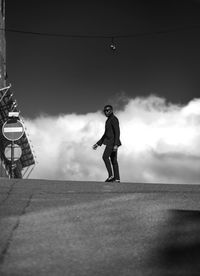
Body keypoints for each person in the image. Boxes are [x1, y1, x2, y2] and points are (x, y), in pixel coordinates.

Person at [93, 105, 121, 182]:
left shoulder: (114, 119)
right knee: (113, 160)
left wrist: (115, 144)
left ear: (111, 110)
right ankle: (117, 178)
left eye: (107, 110)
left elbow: (117, 132)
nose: (106, 112)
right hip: (111, 142)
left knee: (105, 157)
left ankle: (111, 176)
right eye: (104, 111)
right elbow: (105, 134)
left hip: (112, 143)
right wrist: (98, 144)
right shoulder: (108, 120)